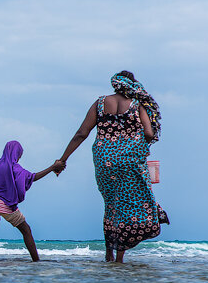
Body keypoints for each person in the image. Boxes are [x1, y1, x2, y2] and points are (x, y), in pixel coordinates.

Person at [55, 70, 168, 263]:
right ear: (132, 85)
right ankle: (120, 256)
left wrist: (63, 159)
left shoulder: (99, 103)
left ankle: (109, 251)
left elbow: (82, 133)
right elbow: (149, 134)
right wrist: (135, 143)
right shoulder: (137, 105)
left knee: (111, 204)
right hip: (129, 160)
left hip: (103, 160)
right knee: (129, 204)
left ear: (115, 84)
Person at [0, 141, 65, 262]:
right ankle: (36, 262)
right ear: (16, 153)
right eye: (19, 154)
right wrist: (52, 167)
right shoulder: (15, 168)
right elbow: (32, 177)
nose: (19, 157)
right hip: (5, 204)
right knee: (26, 230)